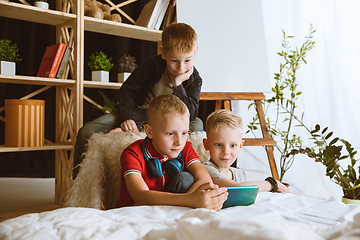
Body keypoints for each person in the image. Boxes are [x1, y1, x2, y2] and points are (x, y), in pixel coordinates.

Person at [73, 23, 203, 178]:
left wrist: (178, 84)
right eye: (174, 61)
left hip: (170, 120)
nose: (181, 68)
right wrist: (126, 117)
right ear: (163, 53)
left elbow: (191, 113)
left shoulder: (195, 79)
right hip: (141, 111)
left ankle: (145, 135)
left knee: (198, 125)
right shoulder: (152, 65)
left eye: (187, 61)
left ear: (195, 53)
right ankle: (77, 182)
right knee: (86, 131)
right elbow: (127, 90)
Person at [115, 94, 228, 211]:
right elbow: (141, 196)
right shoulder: (133, 153)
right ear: (149, 131)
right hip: (136, 212)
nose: (179, 142)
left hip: (168, 211)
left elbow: (205, 179)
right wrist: (190, 200)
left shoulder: (185, 148)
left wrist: (192, 199)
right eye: (170, 134)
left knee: (185, 178)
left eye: (184, 133)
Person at [202, 109, 290, 193]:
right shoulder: (205, 168)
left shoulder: (240, 174)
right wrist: (273, 184)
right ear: (207, 144)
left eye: (233, 145)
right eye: (219, 145)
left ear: (240, 146)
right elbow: (238, 189)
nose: (226, 152)